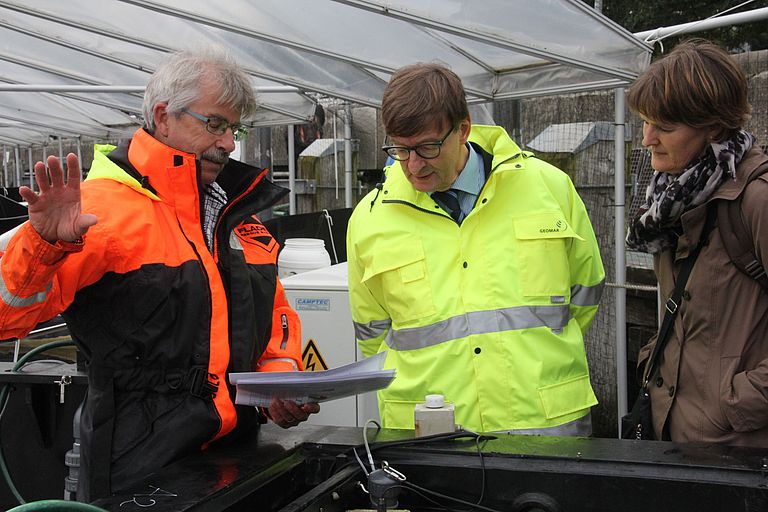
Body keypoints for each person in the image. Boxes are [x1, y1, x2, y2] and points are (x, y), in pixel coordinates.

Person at [0, 48, 319, 500]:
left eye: (235, 128)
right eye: (215, 124)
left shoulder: (235, 213)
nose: (229, 143)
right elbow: (5, 318)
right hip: (138, 467)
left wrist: (280, 373)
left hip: (237, 457)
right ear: (163, 116)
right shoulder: (94, 212)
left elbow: (274, 310)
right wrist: (45, 245)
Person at [346, 63, 605, 435]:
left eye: (427, 147)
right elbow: (372, 334)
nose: (413, 166)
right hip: (428, 432)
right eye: (400, 150)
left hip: (545, 426)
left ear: (463, 129)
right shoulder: (369, 219)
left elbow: (585, 295)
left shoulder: (549, 188)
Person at [626, 39, 768, 446]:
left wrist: (739, 400)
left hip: (741, 449)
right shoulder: (674, 198)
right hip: (675, 435)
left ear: (714, 128)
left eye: (665, 127)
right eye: (644, 121)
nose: (647, 138)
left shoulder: (755, 199)